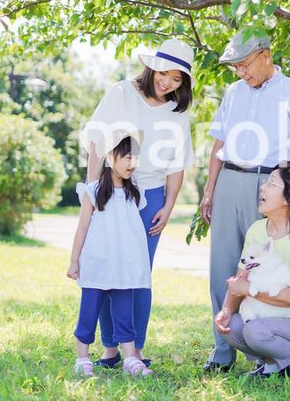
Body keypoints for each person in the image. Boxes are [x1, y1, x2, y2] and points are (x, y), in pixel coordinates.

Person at [201, 30, 290, 372]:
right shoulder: (232, 93)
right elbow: (218, 146)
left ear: (265, 55)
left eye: (243, 64)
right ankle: (222, 351)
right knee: (222, 270)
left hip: (271, 185)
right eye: (234, 67)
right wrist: (209, 190)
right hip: (229, 182)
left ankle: (263, 356)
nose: (240, 72)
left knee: (261, 271)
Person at [81, 38, 195, 369]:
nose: (168, 83)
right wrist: (92, 191)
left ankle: (137, 350)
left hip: (151, 196)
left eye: (177, 79)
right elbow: (96, 141)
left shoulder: (177, 114)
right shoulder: (121, 93)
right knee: (106, 270)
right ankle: (110, 349)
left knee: (138, 274)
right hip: (111, 192)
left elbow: (177, 165)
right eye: (165, 74)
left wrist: (169, 205)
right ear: (152, 67)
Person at [214, 162, 290, 385]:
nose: (262, 187)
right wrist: (225, 310)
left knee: (255, 330)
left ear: (289, 197)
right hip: (273, 322)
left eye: (271, 182)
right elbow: (240, 279)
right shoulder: (257, 230)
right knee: (230, 326)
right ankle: (273, 365)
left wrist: (251, 290)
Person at [68, 130, 153, 377]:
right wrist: (74, 260)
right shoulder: (92, 191)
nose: (132, 163)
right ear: (110, 157)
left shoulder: (135, 191)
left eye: (135, 157)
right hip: (97, 263)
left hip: (124, 266)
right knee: (89, 310)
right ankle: (82, 358)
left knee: (124, 313)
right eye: (126, 157)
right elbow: (82, 227)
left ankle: (130, 359)